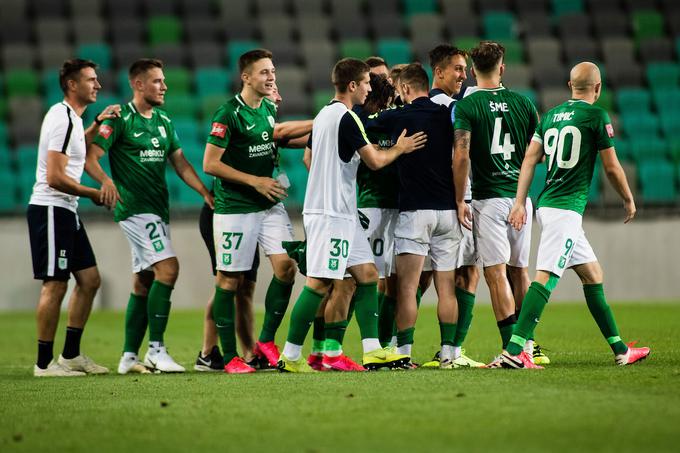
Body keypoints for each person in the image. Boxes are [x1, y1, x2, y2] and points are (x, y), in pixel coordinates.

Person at [277, 58, 426, 372]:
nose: (370, 88)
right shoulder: (346, 118)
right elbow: (374, 161)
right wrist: (400, 148)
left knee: (368, 275)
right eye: (367, 82)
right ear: (353, 85)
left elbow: (309, 155)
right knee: (319, 284)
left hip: (344, 214)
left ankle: (372, 350)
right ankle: (289, 357)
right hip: (330, 215)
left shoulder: (325, 116)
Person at [501, 62, 650, 369]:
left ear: (570, 86)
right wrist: (628, 198)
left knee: (592, 274)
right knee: (545, 275)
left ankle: (621, 349)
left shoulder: (551, 116)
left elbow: (530, 160)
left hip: (550, 206)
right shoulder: (596, 116)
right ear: (598, 88)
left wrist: (519, 201)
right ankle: (515, 350)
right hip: (565, 210)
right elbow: (611, 166)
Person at [87, 58, 212, 374]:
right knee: (168, 270)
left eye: (164, 80)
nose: (164, 86)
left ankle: (129, 357)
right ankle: (156, 350)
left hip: (157, 209)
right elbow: (92, 157)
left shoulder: (164, 121)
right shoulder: (119, 119)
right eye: (157, 81)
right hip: (135, 209)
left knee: (143, 281)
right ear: (138, 84)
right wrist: (106, 181)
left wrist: (204, 193)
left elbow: (181, 163)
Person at [195, 83, 312, 372]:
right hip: (229, 209)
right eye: (273, 88)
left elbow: (290, 139)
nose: (279, 96)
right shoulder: (233, 115)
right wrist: (328, 118)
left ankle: (255, 348)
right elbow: (210, 163)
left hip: (266, 205)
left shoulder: (267, 115)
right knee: (230, 282)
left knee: (279, 271)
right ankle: (214, 353)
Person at [28, 58, 119, 377]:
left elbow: (80, 143)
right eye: (91, 80)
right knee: (55, 284)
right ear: (72, 84)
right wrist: (94, 192)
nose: (98, 85)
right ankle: (43, 364)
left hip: (66, 210)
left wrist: (98, 122)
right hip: (51, 208)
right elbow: (54, 176)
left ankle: (70, 355)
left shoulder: (71, 119)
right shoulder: (63, 119)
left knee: (90, 280)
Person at [368, 63, 462, 368]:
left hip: (414, 212)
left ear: (405, 89)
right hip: (448, 211)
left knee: (407, 288)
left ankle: (404, 353)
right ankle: (449, 353)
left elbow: (361, 125)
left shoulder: (398, 116)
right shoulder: (448, 114)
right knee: (446, 287)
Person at [452, 41, 539, 363]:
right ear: (502, 68)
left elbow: (461, 155)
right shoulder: (523, 103)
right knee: (520, 271)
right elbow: (537, 153)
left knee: (495, 273)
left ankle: (512, 351)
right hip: (519, 200)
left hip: (488, 201)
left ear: (473, 70)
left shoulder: (467, 107)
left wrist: (461, 198)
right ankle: (527, 346)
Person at [422, 44, 485, 368]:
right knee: (467, 276)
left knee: (414, 281)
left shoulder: (421, 104)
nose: (463, 74)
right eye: (458, 69)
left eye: (465, 69)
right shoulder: (450, 107)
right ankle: (453, 351)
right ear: (439, 71)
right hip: (457, 201)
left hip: (423, 203)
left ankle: (393, 346)